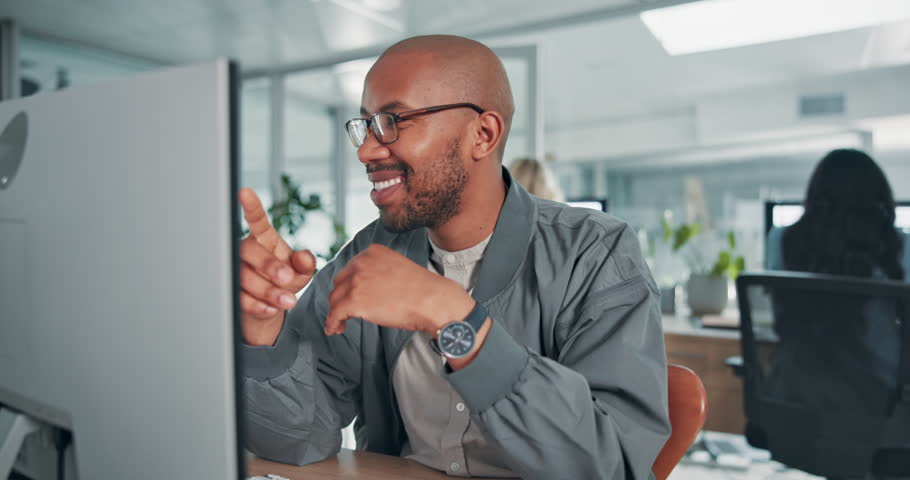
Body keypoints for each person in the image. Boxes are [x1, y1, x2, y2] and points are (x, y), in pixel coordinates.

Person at [239, 35, 669, 479]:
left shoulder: (595, 253)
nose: (366, 149)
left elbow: (611, 465)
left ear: (482, 135)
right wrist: (264, 329)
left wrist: (454, 319)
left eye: (393, 120)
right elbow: (297, 440)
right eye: (365, 125)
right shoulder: (370, 255)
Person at [764, 148, 909, 413]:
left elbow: (779, 317)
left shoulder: (782, 240)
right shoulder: (900, 246)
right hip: (880, 405)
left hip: (794, 397)